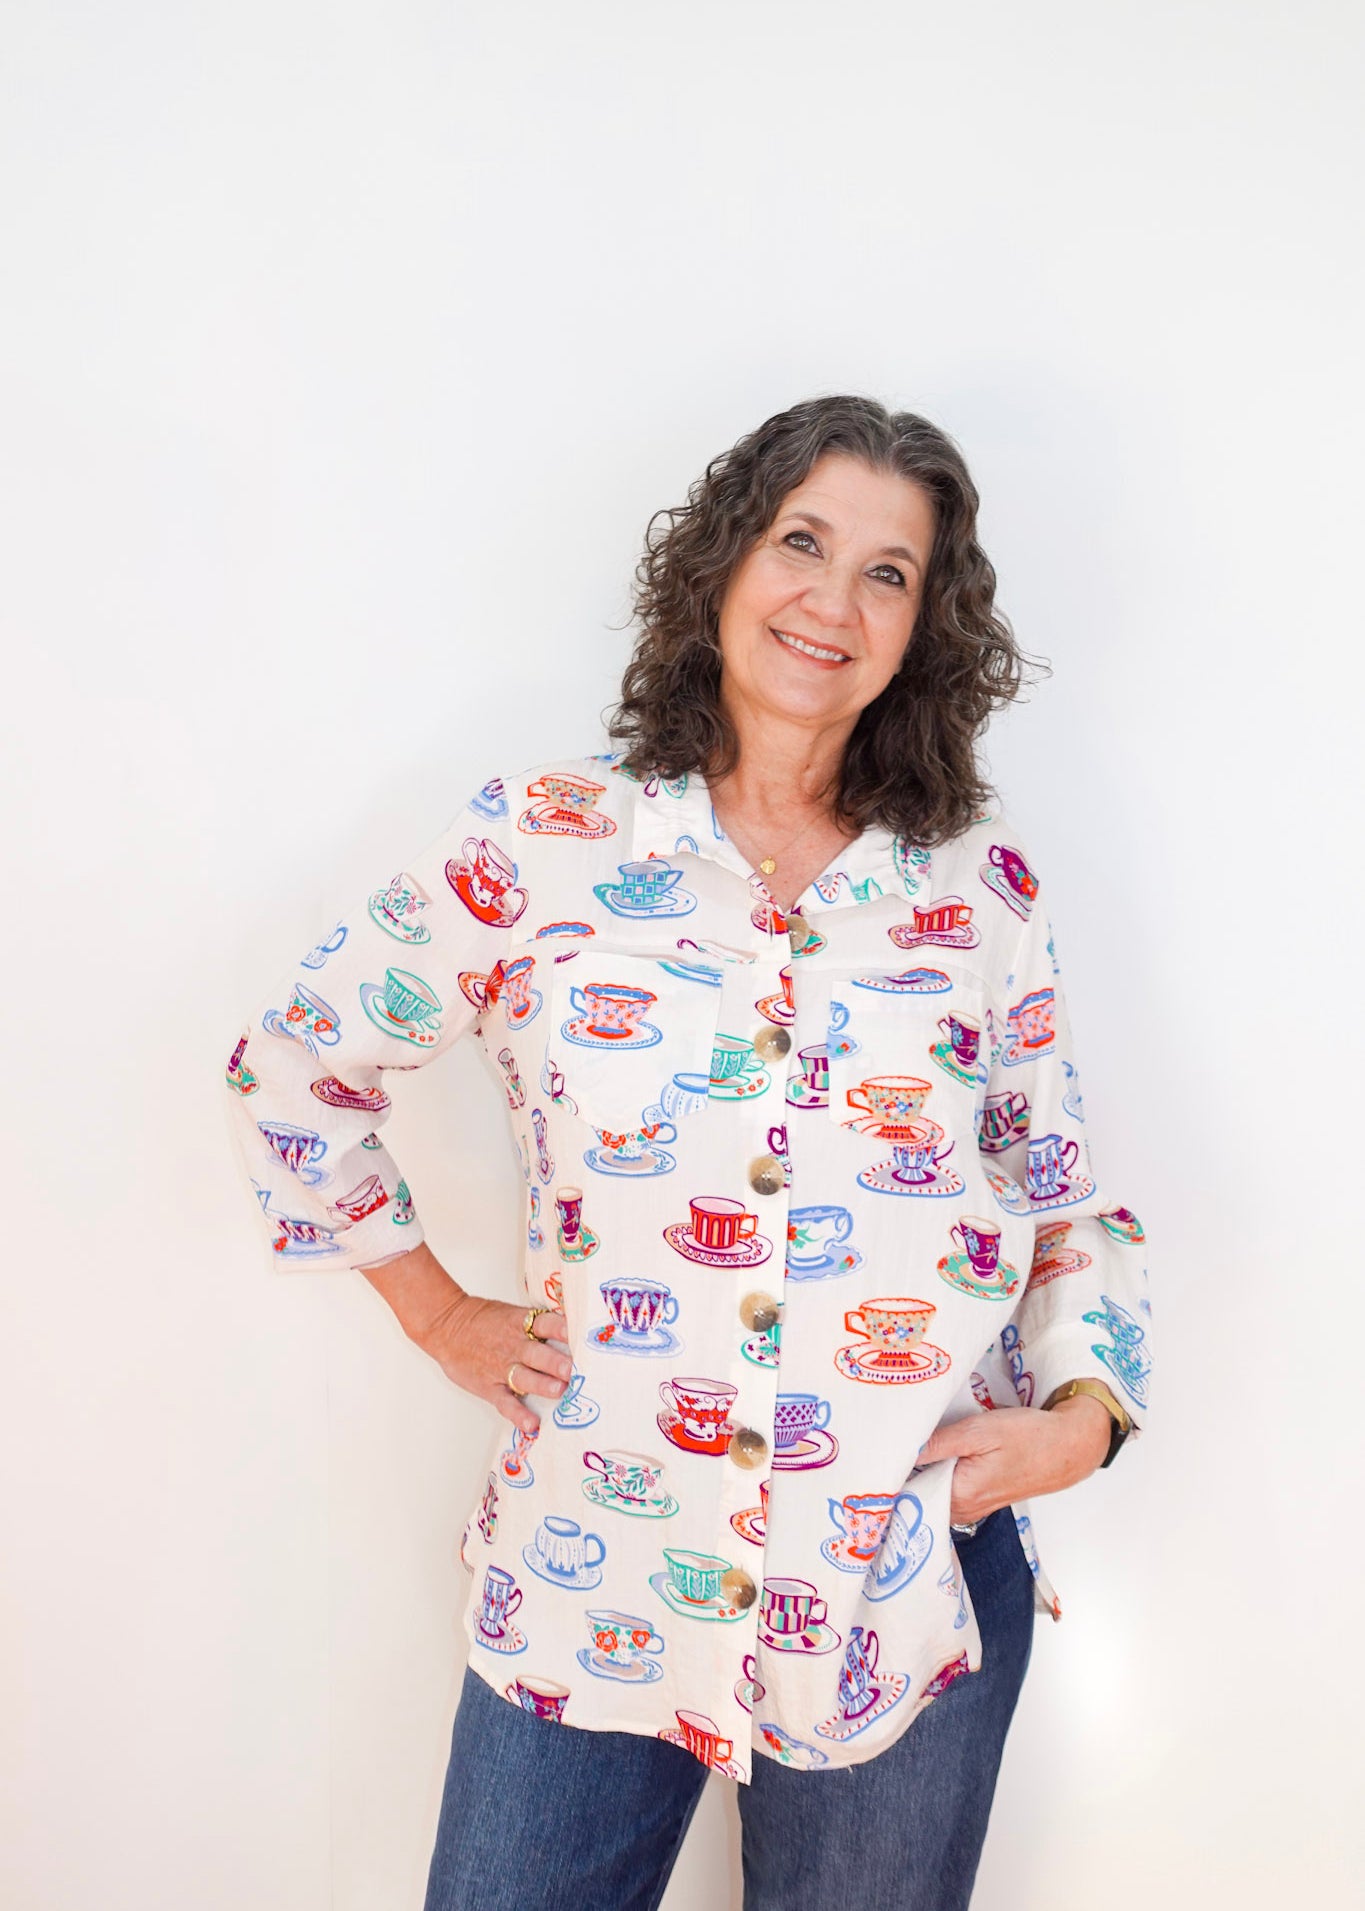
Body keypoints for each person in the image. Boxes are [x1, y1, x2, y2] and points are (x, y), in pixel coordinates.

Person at [224, 393, 1152, 1910]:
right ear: (724, 565)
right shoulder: (539, 845)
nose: (830, 600)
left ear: (923, 630)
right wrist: (442, 1314)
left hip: (898, 1584)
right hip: (600, 1566)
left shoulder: (980, 892)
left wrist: (1086, 1417)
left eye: (886, 573)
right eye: (801, 542)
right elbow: (292, 1066)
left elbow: (1061, 1197)